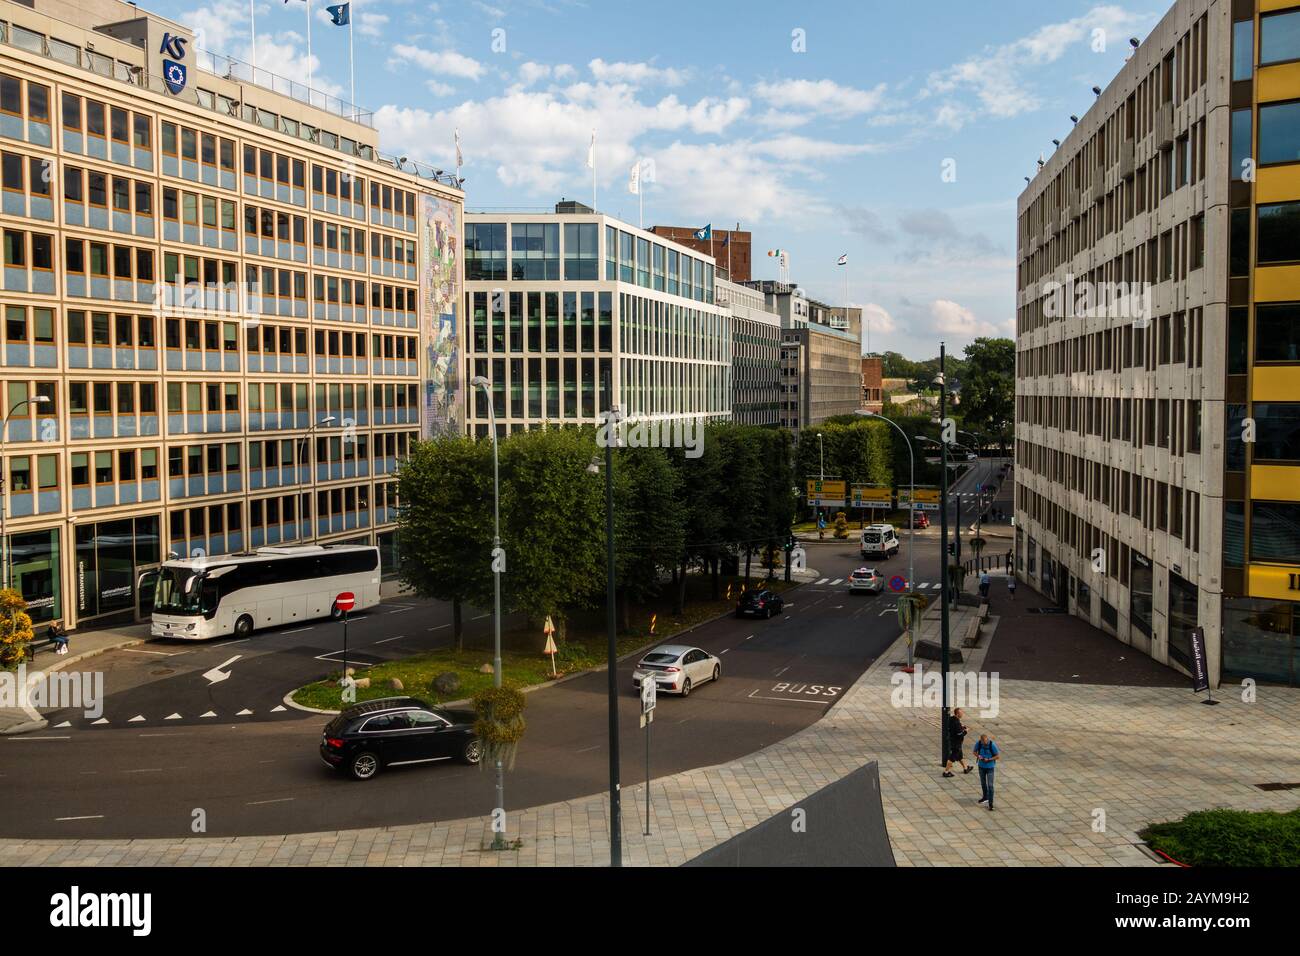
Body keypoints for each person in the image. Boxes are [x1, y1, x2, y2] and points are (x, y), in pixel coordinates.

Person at [942, 708, 973, 778]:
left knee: (960, 756)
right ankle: (946, 772)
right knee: (952, 757)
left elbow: (955, 727)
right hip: (956, 743)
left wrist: (961, 726)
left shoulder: (952, 719)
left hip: (953, 740)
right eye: (961, 713)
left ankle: (965, 768)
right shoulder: (956, 723)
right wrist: (966, 731)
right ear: (957, 714)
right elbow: (960, 734)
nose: (962, 714)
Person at [973, 733, 999, 810]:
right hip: (981, 766)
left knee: (990, 785)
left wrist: (989, 759)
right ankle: (985, 797)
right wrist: (979, 756)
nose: (984, 744)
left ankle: (991, 803)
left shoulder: (992, 745)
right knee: (983, 783)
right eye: (982, 743)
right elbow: (974, 752)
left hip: (990, 767)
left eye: (985, 743)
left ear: (987, 740)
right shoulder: (979, 743)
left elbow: (997, 756)